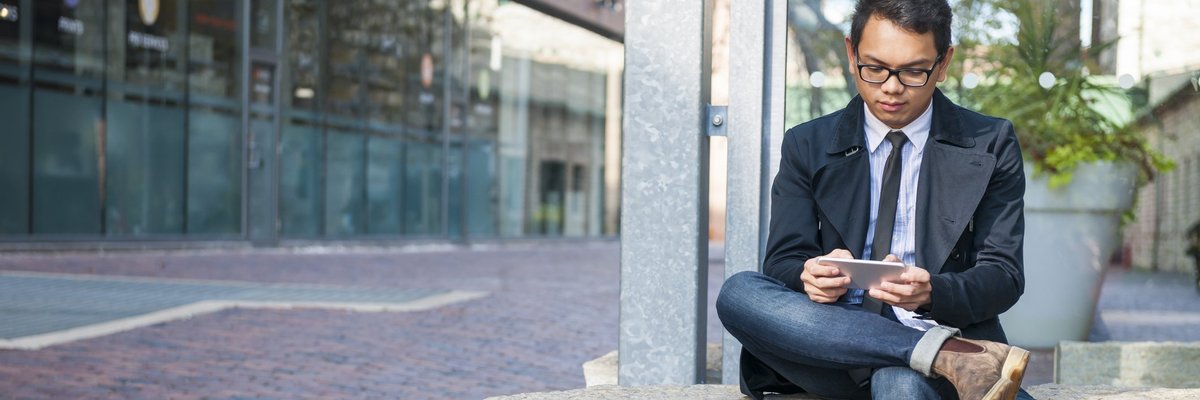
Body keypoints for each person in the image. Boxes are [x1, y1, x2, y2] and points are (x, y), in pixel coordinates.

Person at [716, 1, 1033, 399]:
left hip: (936, 333)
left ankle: (932, 352)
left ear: (944, 61)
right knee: (739, 292)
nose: (891, 87)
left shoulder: (991, 143)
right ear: (851, 54)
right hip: (831, 346)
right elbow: (782, 263)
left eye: (914, 71)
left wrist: (934, 292)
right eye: (875, 68)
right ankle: (944, 355)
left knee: (896, 381)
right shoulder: (806, 144)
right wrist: (809, 276)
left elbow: (1003, 276)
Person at [1187, 221, 1200, 293]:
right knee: (1198, 270)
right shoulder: (1198, 225)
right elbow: (1189, 233)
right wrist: (1194, 242)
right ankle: (1198, 285)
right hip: (1198, 251)